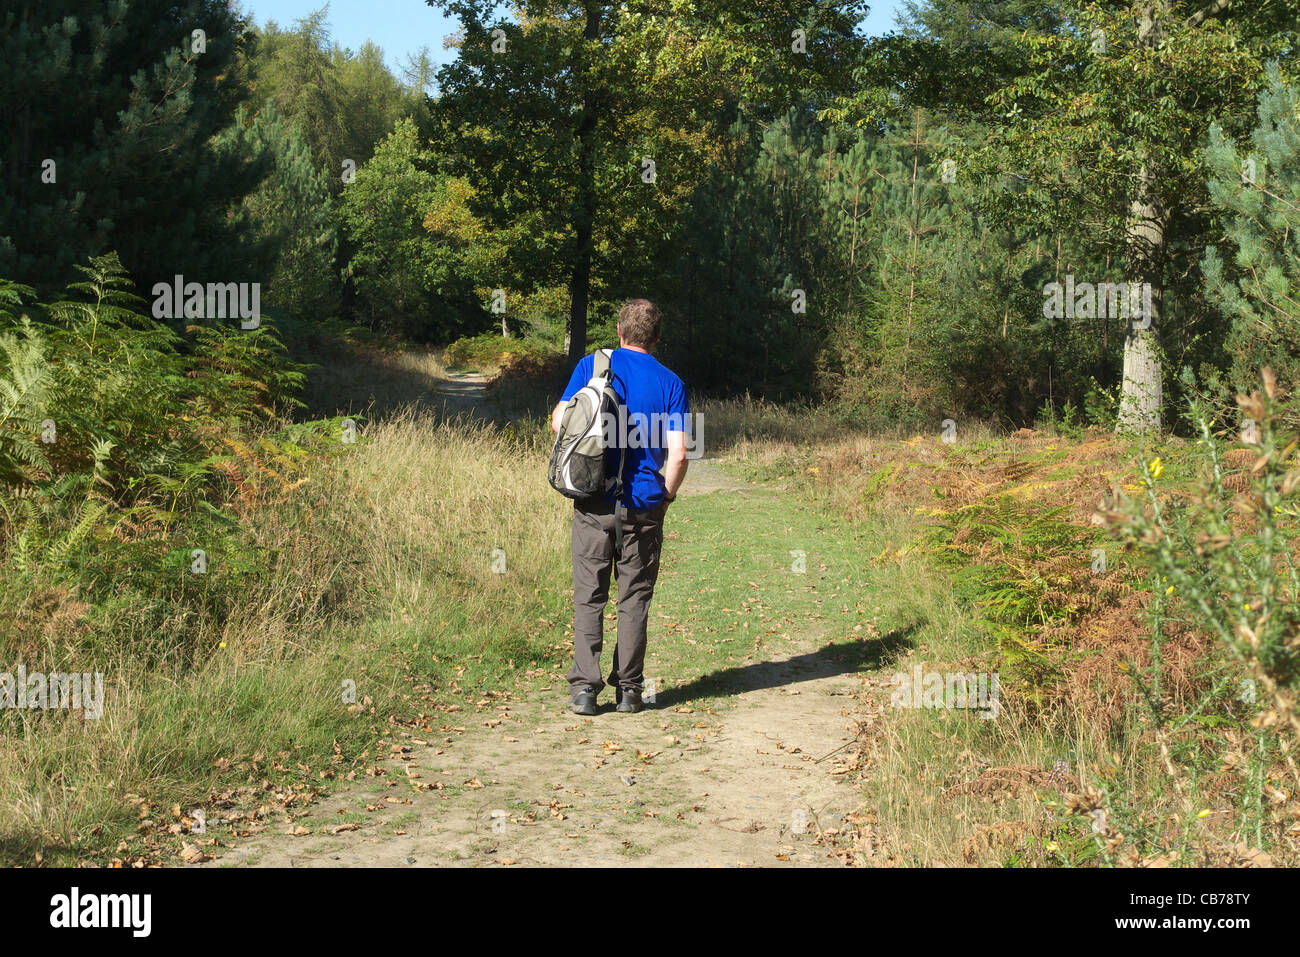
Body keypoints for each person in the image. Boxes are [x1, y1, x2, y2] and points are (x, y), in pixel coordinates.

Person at [550, 299, 689, 715]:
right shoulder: (672, 382)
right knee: (634, 598)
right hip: (644, 506)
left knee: (589, 596)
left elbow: (559, 421)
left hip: (593, 500)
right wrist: (666, 496)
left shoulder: (592, 367)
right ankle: (629, 690)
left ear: (619, 330)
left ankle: (584, 692)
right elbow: (680, 455)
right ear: (658, 338)